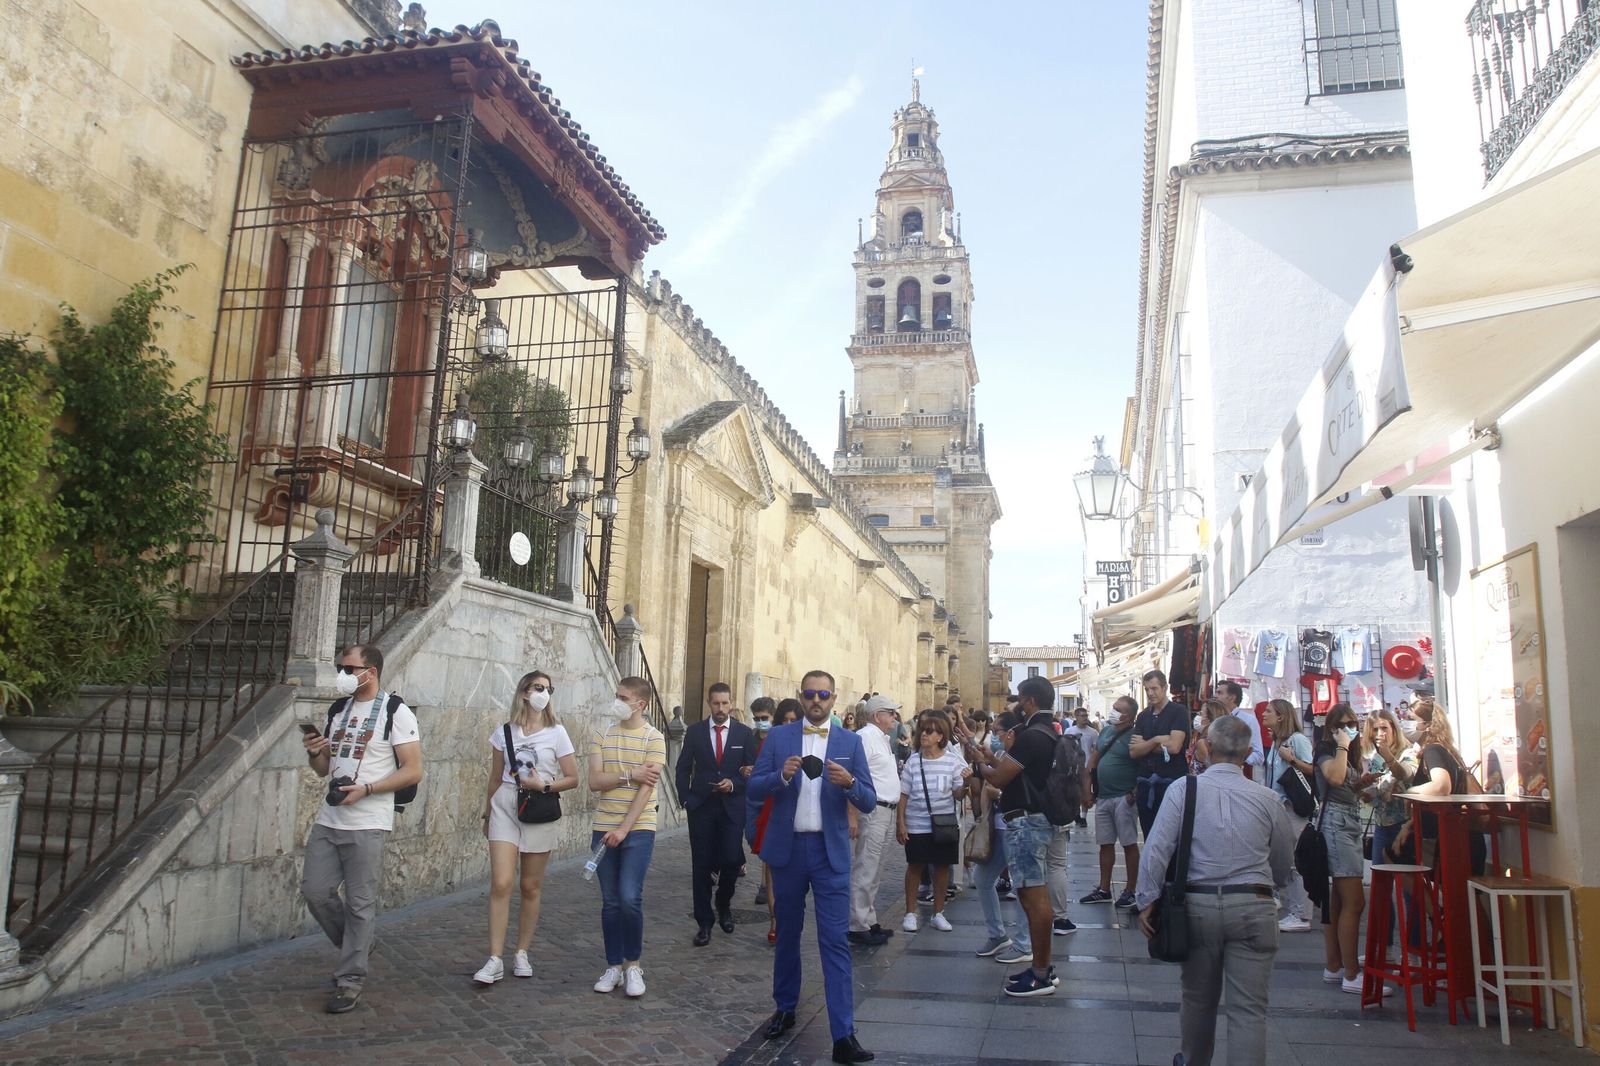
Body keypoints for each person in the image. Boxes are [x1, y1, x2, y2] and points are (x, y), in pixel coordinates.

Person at [1136, 715, 1295, 1066]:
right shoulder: (1268, 798)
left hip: (1199, 905)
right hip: (1254, 904)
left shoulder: (1184, 789)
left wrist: (1146, 899)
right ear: (1248, 753)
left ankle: (1193, 1060)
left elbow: (1157, 847)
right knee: (1249, 1010)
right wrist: (1276, 887)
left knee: (1197, 999)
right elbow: (1284, 861)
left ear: (1206, 747)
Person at [750, 671, 878, 1064]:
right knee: (787, 934)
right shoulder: (778, 737)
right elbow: (754, 788)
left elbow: (869, 800)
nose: (816, 700)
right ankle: (785, 1008)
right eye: (810, 694)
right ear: (801, 697)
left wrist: (850, 782)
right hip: (788, 850)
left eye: (823, 694)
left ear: (833, 698)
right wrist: (780, 776)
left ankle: (843, 1034)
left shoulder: (850, 742)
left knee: (835, 941)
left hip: (829, 852)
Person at [299, 644, 423, 1014]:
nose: (343, 674)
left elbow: (413, 770)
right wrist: (315, 751)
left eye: (349, 669)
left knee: (359, 903)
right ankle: (360, 944)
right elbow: (324, 769)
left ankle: (350, 980)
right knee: (315, 891)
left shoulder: (395, 711)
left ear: (371, 671)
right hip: (330, 817)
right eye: (341, 667)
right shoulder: (338, 709)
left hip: (368, 820)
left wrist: (367, 789)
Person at [952, 675, 1061, 998]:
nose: (1015, 704)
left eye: (1019, 699)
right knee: (1031, 895)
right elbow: (1015, 770)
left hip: (1026, 823)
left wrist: (980, 765)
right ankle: (1041, 967)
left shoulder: (1030, 736)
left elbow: (999, 778)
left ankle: (1041, 973)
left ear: (1030, 701)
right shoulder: (1046, 732)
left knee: (1034, 898)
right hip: (1035, 820)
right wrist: (983, 753)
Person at [473, 669, 577, 985]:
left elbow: (573, 778)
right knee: (501, 882)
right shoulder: (504, 732)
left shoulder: (557, 733)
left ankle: (521, 951)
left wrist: (544, 785)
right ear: (524, 693)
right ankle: (494, 958)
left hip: (539, 806)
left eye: (548, 689)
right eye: (537, 687)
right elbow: (494, 777)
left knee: (530, 886)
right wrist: (487, 814)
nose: (543, 693)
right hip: (505, 804)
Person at [588, 677, 666, 999]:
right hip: (603, 825)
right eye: (617, 695)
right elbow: (595, 781)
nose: (617, 701)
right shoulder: (602, 735)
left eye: (623, 697)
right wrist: (629, 774)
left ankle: (633, 965)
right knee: (610, 901)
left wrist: (624, 829)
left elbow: (646, 790)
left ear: (640, 704)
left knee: (629, 896)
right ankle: (613, 966)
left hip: (639, 827)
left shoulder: (654, 738)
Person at [676, 682, 757, 946]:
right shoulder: (696, 732)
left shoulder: (744, 734)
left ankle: (723, 903)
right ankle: (704, 922)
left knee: (732, 860)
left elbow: (752, 771)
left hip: (732, 808)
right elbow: (682, 768)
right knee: (701, 865)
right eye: (716, 703)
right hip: (701, 807)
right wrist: (685, 799)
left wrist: (734, 784)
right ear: (709, 704)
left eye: (724, 703)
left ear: (731, 703)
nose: (720, 708)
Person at [1314, 702, 1373, 993]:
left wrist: (1363, 784)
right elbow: (1334, 777)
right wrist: (1342, 745)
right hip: (1336, 824)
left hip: (1347, 821)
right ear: (1331, 728)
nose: (1348, 729)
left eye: (1352, 724)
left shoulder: (1348, 753)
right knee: (1354, 901)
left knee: (1337, 901)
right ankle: (1351, 973)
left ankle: (1335, 965)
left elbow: (1344, 784)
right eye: (1341, 725)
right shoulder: (1328, 749)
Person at [973, 711, 1038, 969]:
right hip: (999, 827)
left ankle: (1024, 943)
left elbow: (1001, 784)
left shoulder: (1022, 754)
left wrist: (983, 765)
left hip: (1018, 827)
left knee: (1022, 885)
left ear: (1010, 733)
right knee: (982, 878)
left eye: (998, 731)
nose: (995, 736)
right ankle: (997, 935)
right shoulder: (1003, 753)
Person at [896, 709, 969, 933]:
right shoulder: (913, 761)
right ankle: (910, 913)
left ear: (940, 736)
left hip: (944, 824)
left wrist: (965, 784)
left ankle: (938, 913)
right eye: (923, 730)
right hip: (916, 823)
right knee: (915, 866)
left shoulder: (952, 761)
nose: (924, 734)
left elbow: (958, 795)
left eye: (929, 731)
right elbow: (903, 794)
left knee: (942, 867)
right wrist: (900, 823)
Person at [1402, 697, 1487, 875]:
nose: (1405, 723)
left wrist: (1411, 792)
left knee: (1396, 857)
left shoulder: (1433, 749)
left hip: (1449, 842)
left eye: (1411, 719)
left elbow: (1441, 786)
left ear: (1427, 725)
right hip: (1461, 837)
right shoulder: (1448, 750)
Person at [849, 694, 903, 946]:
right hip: (874, 810)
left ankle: (868, 919)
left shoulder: (882, 739)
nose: (894, 717)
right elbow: (853, 775)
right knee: (866, 866)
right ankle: (857, 924)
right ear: (877, 715)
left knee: (877, 868)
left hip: (887, 810)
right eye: (890, 712)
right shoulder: (865, 738)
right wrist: (852, 814)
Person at [1079, 695, 1140, 911]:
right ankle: (1104, 889)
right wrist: (1087, 790)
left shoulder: (1136, 735)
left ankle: (1131, 889)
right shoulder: (1106, 731)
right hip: (1103, 796)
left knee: (1128, 843)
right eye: (1113, 707)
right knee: (1105, 843)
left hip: (1124, 796)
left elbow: (1143, 765)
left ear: (1129, 716)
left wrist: (1134, 791)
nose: (1113, 711)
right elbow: (1093, 761)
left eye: (1118, 709)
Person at [1260, 698, 1314, 933]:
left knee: (1296, 862)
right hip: (1278, 808)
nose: (1264, 715)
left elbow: (1313, 769)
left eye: (1269, 711)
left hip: (1293, 809)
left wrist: (1291, 759)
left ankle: (1300, 914)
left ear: (1281, 716)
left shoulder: (1297, 740)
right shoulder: (1277, 741)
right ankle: (1292, 908)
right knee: (1283, 858)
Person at [750, 698, 799, 939]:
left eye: (793, 720)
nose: (788, 724)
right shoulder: (771, 741)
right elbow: (759, 779)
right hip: (774, 806)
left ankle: (789, 916)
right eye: (784, 720)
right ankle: (774, 921)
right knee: (771, 868)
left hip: (798, 809)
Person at [1130, 669, 1190, 838]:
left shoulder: (1178, 712)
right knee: (1149, 836)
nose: (1150, 693)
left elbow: (1174, 747)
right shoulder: (1143, 716)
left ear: (1164, 688)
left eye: (1154, 688)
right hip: (1146, 784)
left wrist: (1145, 744)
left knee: (1171, 837)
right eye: (1147, 689)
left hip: (1170, 783)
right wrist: (1156, 740)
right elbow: (1134, 751)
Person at [749, 696, 777, 908]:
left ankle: (765, 885)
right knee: (752, 836)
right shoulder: (750, 738)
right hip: (752, 796)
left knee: (767, 841)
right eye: (757, 718)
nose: (760, 722)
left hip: (771, 795)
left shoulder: (777, 737)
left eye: (764, 718)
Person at [1215, 680, 1265, 778]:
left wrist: (1236, 759)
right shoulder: (1215, 719)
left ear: (1232, 697)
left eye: (1219, 693)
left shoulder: (1248, 720)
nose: (1215, 696)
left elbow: (1259, 756)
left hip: (1238, 777)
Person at [1064, 708, 1099, 828]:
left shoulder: (1093, 732)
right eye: (1082, 715)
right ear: (1076, 717)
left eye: (1086, 715)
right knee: (1074, 792)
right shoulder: (1069, 731)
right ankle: (1076, 813)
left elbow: (1095, 749)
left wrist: (1093, 764)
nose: (1085, 718)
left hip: (1086, 766)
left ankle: (1083, 817)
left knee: (1086, 791)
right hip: (1073, 766)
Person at [1188, 698, 1226, 775]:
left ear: (1207, 719)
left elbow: (1215, 769)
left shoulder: (1204, 743)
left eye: (1201, 713)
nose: (1198, 716)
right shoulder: (1226, 739)